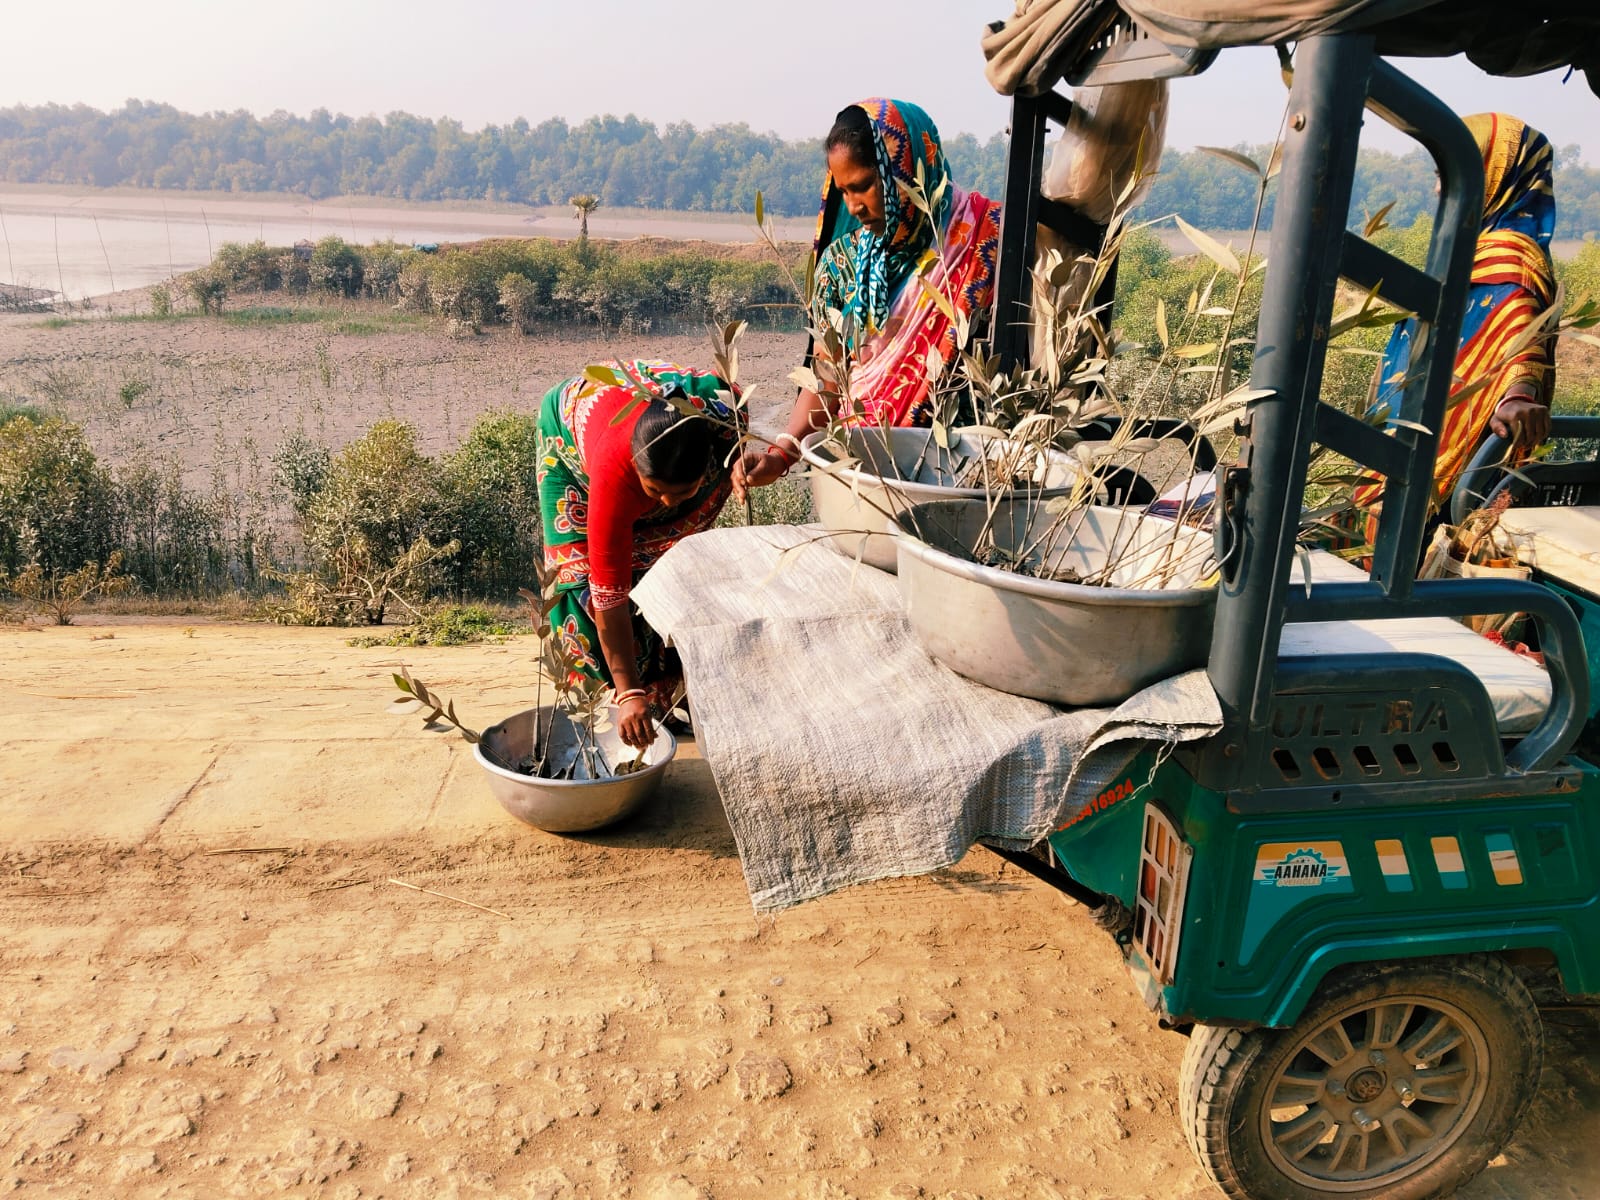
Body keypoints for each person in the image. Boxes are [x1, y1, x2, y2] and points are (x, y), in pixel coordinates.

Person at [734, 97, 1001, 493]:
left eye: (862, 186)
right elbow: (828, 378)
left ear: (906, 171)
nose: (854, 206)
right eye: (843, 191)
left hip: (962, 477)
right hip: (861, 475)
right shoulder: (841, 265)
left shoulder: (989, 241)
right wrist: (780, 455)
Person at [1353, 112, 1556, 528]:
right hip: (1413, 440)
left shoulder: (1512, 258)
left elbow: (1522, 333)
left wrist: (1516, 397)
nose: (1437, 187)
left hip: (1446, 470)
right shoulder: (1469, 249)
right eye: (1438, 173)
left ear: (1495, 177)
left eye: (1449, 173)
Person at [536, 360, 740, 749]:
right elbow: (607, 596)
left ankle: (662, 697)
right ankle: (602, 709)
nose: (666, 503)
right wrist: (628, 690)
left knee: (669, 570)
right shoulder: (613, 477)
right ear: (636, 468)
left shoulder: (724, 417)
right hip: (571, 443)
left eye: (680, 493)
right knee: (579, 576)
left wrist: (748, 464)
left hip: (661, 420)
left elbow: (743, 449)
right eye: (654, 490)